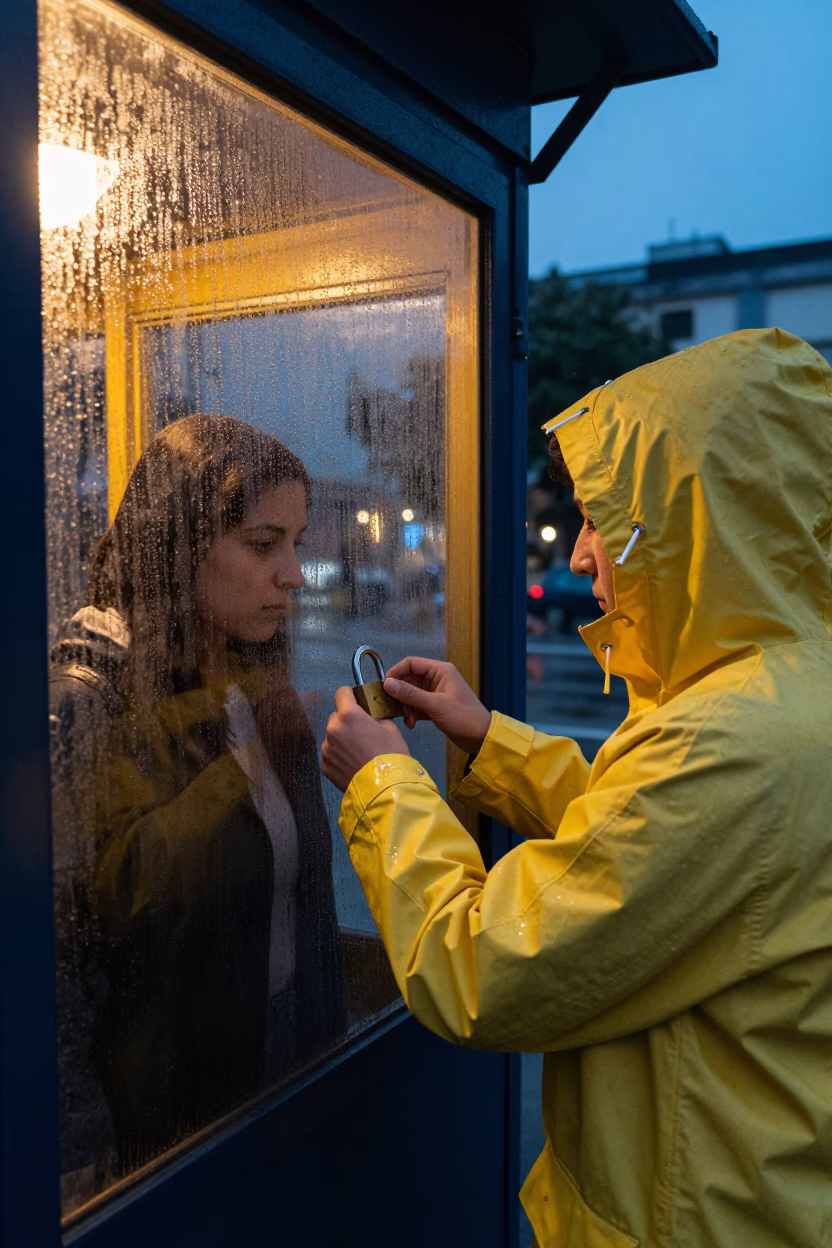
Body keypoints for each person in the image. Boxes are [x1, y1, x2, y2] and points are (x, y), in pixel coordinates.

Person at [321, 328, 832, 1247]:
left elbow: (482, 968)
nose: (584, 554)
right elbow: (654, 844)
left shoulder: (730, 741)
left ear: (698, 522)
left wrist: (381, 781)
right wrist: (490, 739)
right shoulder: (786, 689)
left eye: (602, 518)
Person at [51, 414, 345, 1193]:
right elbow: (99, 919)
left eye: (297, 544)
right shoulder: (96, 697)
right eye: (263, 544)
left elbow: (298, 902)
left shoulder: (247, 673)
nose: (294, 575)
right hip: (172, 1121)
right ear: (179, 547)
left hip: (280, 1062)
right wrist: (77, 1149)